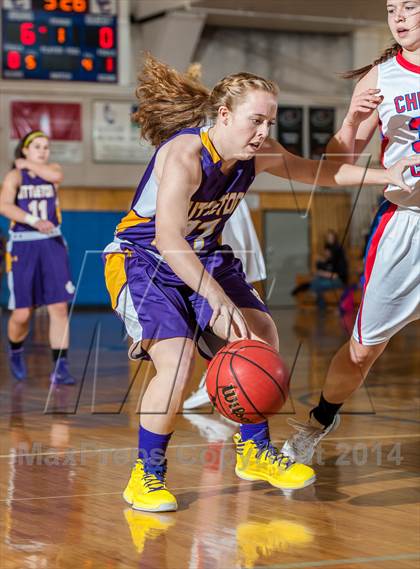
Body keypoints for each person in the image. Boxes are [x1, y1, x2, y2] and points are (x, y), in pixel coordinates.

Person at [103, 53, 415, 513]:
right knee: (178, 361)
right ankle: (146, 476)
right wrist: (212, 295)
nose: (264, 132)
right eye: (255, 120)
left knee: (261, 336)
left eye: (269, 121)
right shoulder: (184, 155)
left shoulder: (260, 153)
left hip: (206, 253)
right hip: (145, 259)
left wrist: (385, 174)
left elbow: (321, 173)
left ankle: (253, 451)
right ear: (224, 116)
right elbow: (169, 237)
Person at [282, 0, 420, 463]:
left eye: (410, 7)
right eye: (391, 9)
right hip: (407, 225)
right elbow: (337, 166)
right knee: (362, 351)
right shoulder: (381, 77)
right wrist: (351, 120)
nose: (398, 18)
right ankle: (318, 421)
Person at [0, 130, 75, 384]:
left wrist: (28, 163)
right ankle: (15, 351)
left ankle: (61, 366)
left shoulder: (51, 171)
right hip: (24, 246)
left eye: (46, 147)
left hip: (51, 243)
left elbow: (57, 175)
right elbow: (4, 206)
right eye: (37, 147)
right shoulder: (15, 175)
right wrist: (33, 220)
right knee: (22, 313)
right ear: (24, 149)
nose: (43, 151)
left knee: (59, 307)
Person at [183, 197, 267, 410]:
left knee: (233, 313)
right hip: (201, 225)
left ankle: (221, 373)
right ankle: (218, 372)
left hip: (220, 214)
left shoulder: (233, 185)